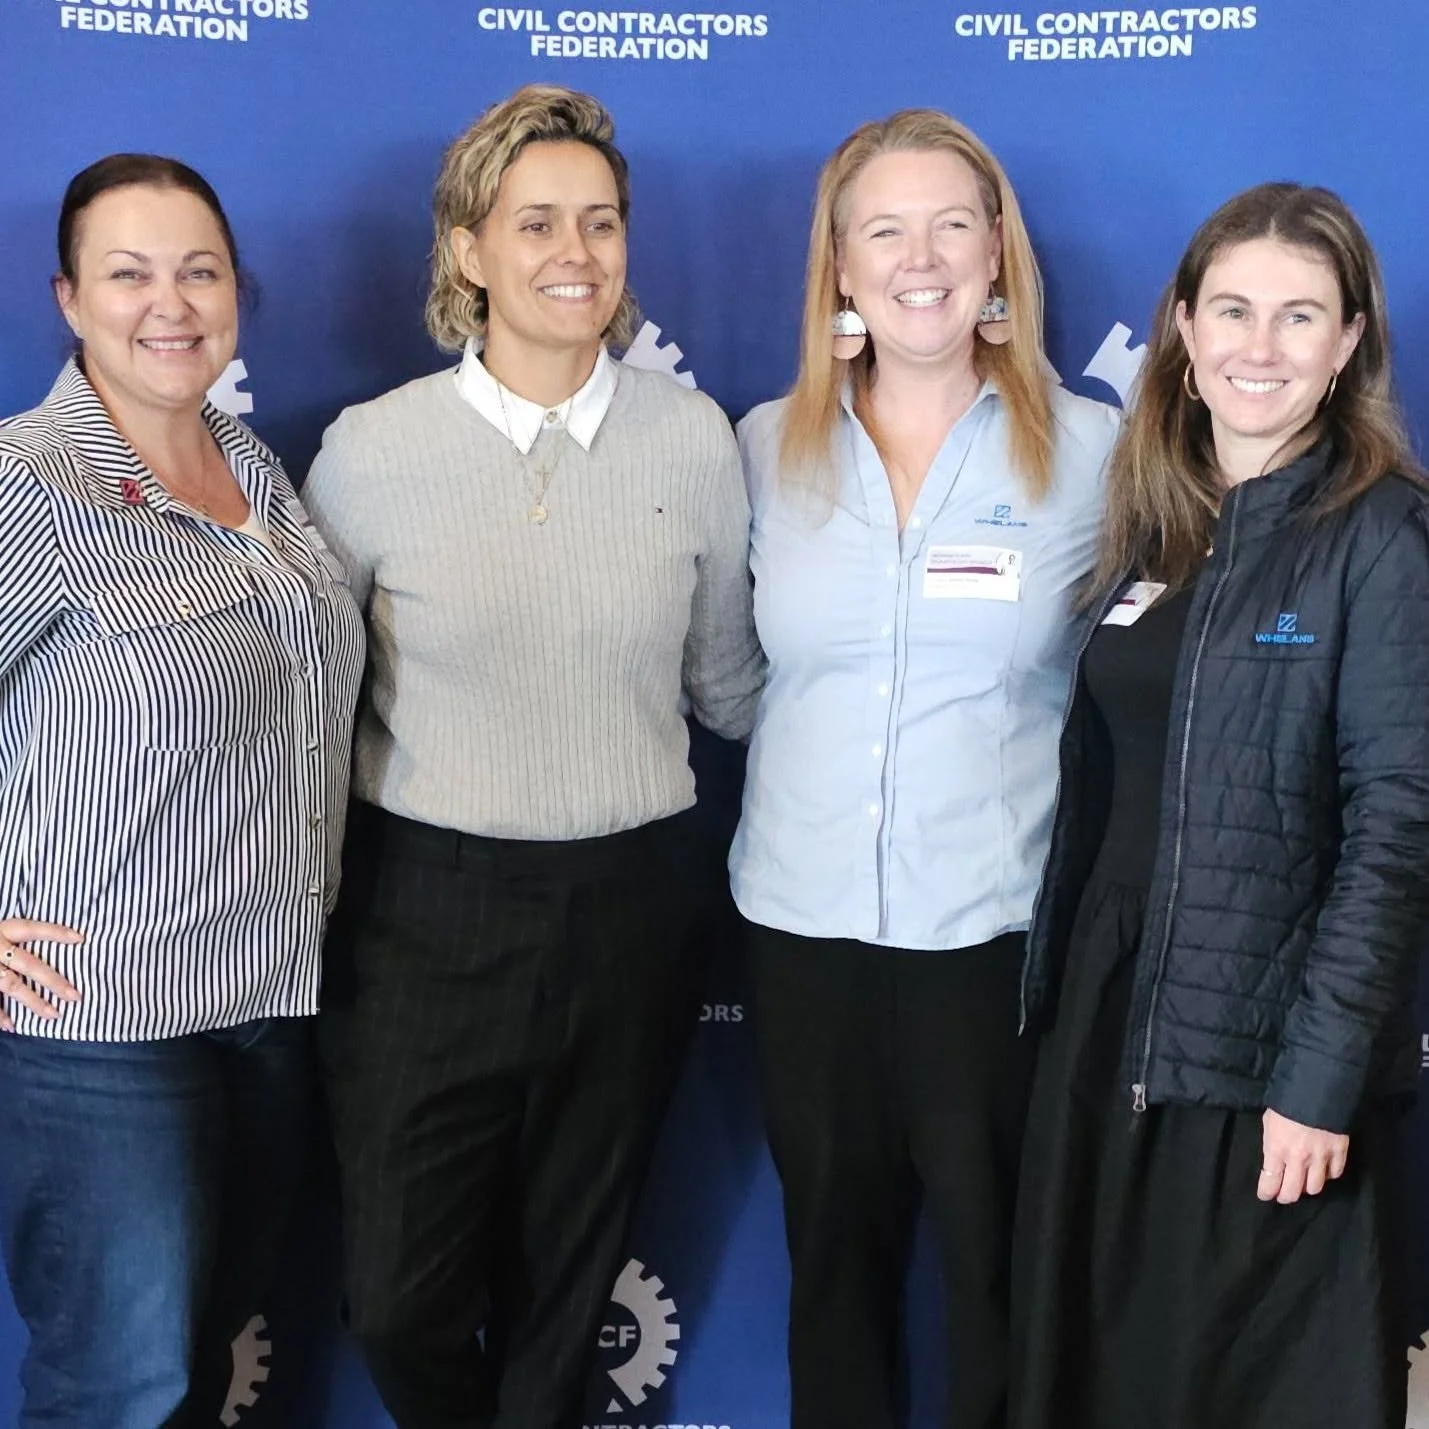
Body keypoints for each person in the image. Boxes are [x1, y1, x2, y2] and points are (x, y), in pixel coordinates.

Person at [304, 83, 763, 1429]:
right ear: (467, 249)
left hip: (634, 906)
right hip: (419, 912)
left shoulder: (694, 441)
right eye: (539, 222)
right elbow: (306, 713)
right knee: (400, 1297)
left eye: (603, 223)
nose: (578, 253)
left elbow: (727, 682)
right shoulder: (372, 451)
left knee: (569, 1284)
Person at [1013, 182, 1428, 1429]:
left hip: (1264, 1063)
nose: (1261, 346)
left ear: (1348, 344)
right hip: (1110, 1027)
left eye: (1299, 316)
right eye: (1233, 310)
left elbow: (1398, 822)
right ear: (1182, 331)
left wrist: (1317, 1079)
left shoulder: (1382, 537)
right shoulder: (1158, 523)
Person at [730, 109, 1118, 1429]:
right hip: (803, 937)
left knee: (1001, 1279)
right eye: (883, 228)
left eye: (955, 222)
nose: (922, 257)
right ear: (838, 266)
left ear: (998, 252)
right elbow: (729, 674)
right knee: (831, 1274)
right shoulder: (758, 445)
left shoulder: (1094, 458)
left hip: (991, 943)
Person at [0, 154, 365, 1429]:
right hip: (104, 1027)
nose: (172, 302)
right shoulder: (27, 482)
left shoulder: (257, 475)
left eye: (199, 270)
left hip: (266, 1005)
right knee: (122, 1382)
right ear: (68, 299)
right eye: (130, 273)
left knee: (203, 1360)